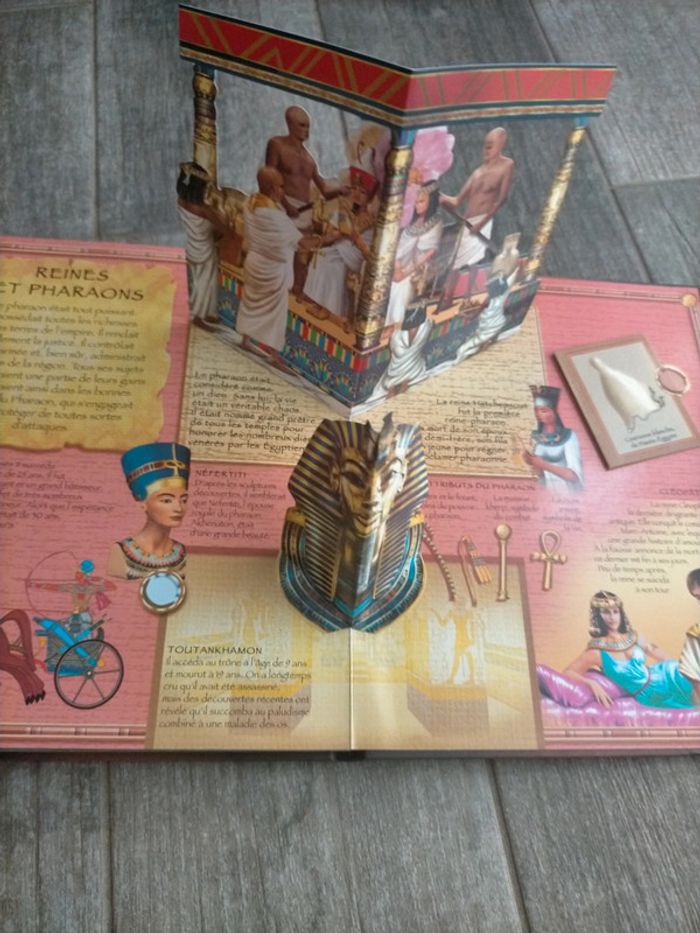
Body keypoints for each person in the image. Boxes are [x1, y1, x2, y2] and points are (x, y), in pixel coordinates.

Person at [236, 167, 323, 364]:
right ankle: (274, 356)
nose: (283, 191)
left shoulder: (250, 202)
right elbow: (302, 244)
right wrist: (324, 238)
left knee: (251, 303)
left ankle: (245, 340)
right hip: (272, 271)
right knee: (276, 313)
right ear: (273, 188)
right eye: (281, 186)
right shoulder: (276, 216)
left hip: (254, 263)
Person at [564, 591, 700, 709]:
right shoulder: (595, 651)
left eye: (615, 611)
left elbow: (661, 655)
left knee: (689, 675)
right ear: (598, 616)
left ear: (620, 613)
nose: (612, 617)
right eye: (606, 612)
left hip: (666, 673)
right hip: (647, 693)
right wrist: (591, 684)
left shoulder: (634, 637)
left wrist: (685, 667)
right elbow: (568, 672)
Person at [303, 167, 377, 323]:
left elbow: (366, 249)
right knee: (321, 256)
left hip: (355, 254)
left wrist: (353, 235)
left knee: (333, 264)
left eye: (363, 192)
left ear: (369, 198)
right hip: (340, 247)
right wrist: (333, 234)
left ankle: (329, 308)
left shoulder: (369, 220)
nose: (357, 195)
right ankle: (318, 302)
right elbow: (332, 235)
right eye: (354, 189)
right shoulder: (344, 211)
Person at [107, 442, 191, 580]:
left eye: (184, 500)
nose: (179, 508)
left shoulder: (183, 553)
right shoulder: (121, 552)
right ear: (142, 503)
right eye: (166, 500)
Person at [439, 127, 514, 270]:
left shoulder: (506, 166)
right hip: (467, 224)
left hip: (482, 223)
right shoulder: (477, 173)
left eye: (490, 147)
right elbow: (456, 201)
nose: (486, 151)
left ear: (500, 145)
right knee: (456, 264)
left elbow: (502, 199)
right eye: (485, 147)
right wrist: (440, 197)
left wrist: (481, 223)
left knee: (472, 264)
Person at [265, 105, 347, 222]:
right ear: (290, 124)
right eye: (302, 125)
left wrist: (340, 190)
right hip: (280, 207)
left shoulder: (309, 160)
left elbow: (324, 190)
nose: (306, 130)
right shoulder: (277, 144)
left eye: (308, 126)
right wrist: (286, 206)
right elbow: (269, 178)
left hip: (303, 212)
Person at [385, 182, 442, 328]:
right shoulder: (412, 221)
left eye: (421, 201)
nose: (417, 205)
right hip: (398, 265)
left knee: (400, 288)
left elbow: (429, 253)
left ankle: (395, 326)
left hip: (417, 269)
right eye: (416, 202)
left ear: (431, 202)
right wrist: (397, 267)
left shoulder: (436, 224)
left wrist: (403, 274)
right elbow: (399, 246)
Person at [523, 385, 583, 492]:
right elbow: (537, 475)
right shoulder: (534, 436)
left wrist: (542, 464)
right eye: (536, 410)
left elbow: (574, 476)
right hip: (541, 492)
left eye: (544, 410)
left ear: (554, 412)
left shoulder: (568, 435)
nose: (538, 414)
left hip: (564, 492)